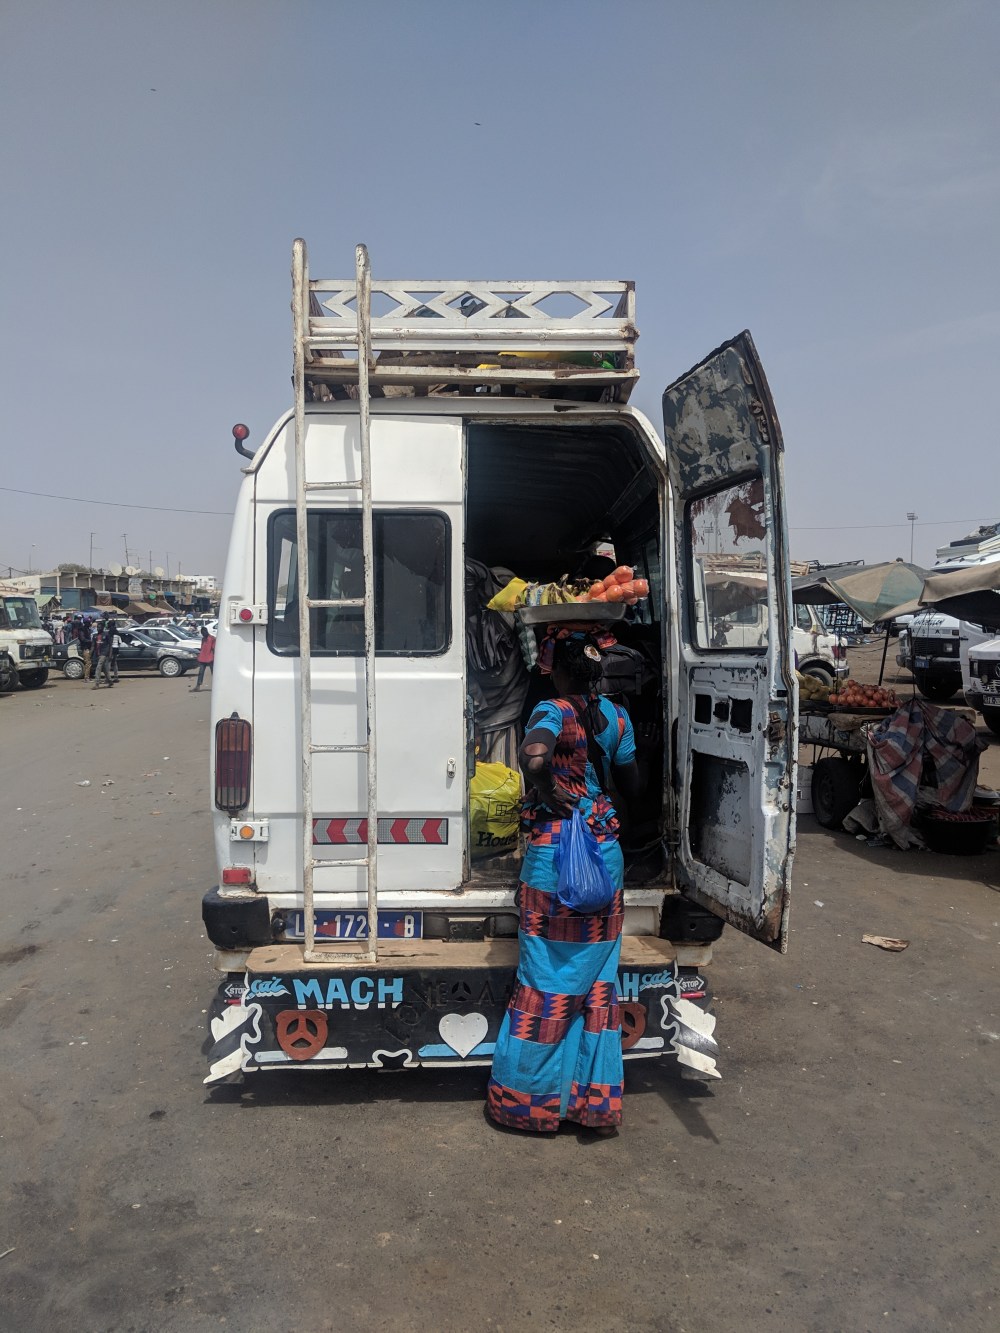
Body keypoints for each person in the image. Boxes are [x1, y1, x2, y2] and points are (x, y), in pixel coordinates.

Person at [486, 629, 642, 1137]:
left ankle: (528, 1105)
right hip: (604, 856)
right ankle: (589, 1105)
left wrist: (549, 788)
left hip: (555, 860)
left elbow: (533, 757)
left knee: (544, 985)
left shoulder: (552, 710)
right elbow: (633, 784)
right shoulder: (618, 718)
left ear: (559, 672)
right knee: (596, 988)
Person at [92, 618, 117, 688]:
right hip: (98, 654)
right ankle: (110, 681)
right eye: (97, 627)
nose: (98, 629)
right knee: (104, 669)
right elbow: (93, 646)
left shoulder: (106, 635)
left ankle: (97, 683)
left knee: (98, 667)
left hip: (104, 653)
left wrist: (110, 654)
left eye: (100, 627)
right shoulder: (95, 636)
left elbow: (110, 645)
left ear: (103, 628)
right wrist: (90, 654)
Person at [190, 625, 215, 691]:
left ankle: (216, 685)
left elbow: (214, 649)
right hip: (203, 658)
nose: (203, 634)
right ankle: (198, 686)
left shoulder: (212, 638)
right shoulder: (203, 639)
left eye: (204, 633)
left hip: (210, 658)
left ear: (206, 632)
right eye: (202, 633)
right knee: (201, 672)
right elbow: (202, 648)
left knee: (213, 672)